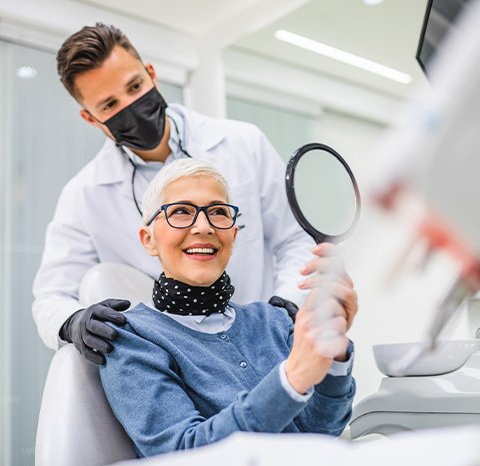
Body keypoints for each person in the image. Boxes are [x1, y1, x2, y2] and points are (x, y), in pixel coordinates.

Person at [32, 23, 331, 364]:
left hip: (267, 347)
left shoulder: (243, 145)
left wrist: (285, 306)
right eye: (110, 104)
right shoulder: (85, 195)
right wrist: (71, 322)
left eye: (134, 86)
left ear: (152, 74)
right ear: (90, 118)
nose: (131, 105)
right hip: (175, 366)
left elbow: (296, 240)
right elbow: (52, 295)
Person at [99, 158, 357, 458]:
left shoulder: (274, 321)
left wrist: (334, 354)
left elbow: (321, 431)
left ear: (233, 235)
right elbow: (184, 455)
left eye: (218, 213)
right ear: (149, 240)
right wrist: (292, 378)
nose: (204, 227)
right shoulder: (132, 340)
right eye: (181, 212)